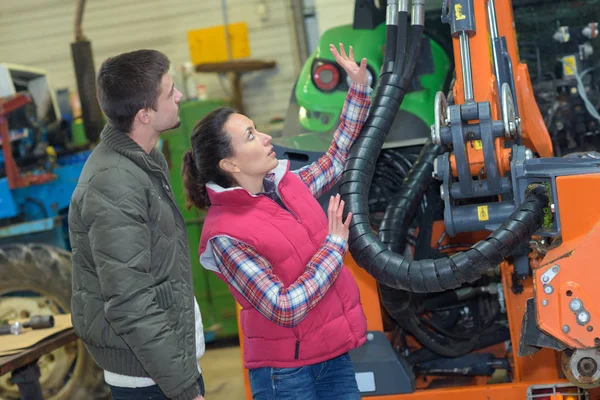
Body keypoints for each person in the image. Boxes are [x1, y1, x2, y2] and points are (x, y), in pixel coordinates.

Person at [182, 43, 371, 399]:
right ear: (231, 165)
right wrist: (333, 248)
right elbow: (283, 307)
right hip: (286, 374)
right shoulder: (225, 236)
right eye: (251, 135)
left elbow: (336, 158)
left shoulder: (288, 185)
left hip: (331, 352)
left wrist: (358, 89)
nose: (267, 138)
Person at [68, 49, 205, 400]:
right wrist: (184, 387)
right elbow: (130, 301)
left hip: (166, 365)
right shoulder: (114, 182)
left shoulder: (144, 160)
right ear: (144, 114)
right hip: (150, 379)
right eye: (170, 91)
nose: (180, 96)